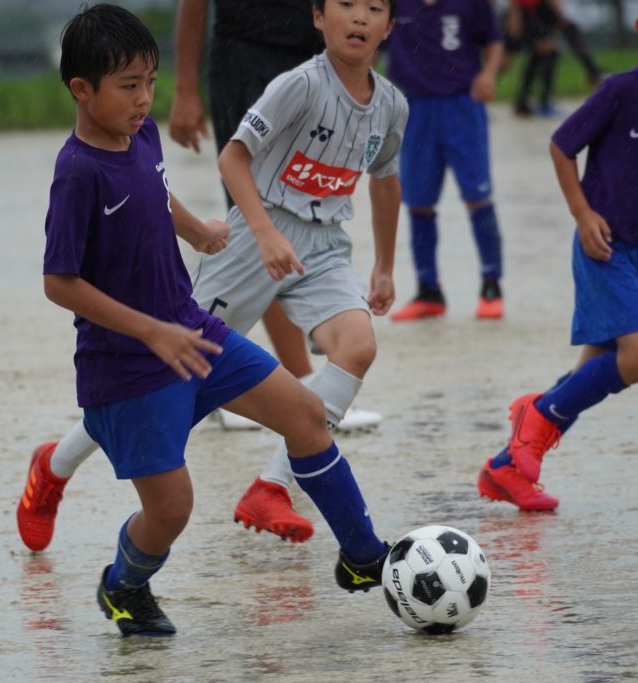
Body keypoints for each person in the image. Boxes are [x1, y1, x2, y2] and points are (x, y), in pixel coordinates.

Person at [20, 4, 391, 636]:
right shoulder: (75, 172)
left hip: (193, 331)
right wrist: (149, 331)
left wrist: (194, 228)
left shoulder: (140, 133)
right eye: (129, 86)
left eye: (151, 81)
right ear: (81, 90)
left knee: (304, 414)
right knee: (171, 511)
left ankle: (363, 556)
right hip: (130, 368)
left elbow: (153, 186)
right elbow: (59, 282)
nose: (145, 99)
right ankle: (124, 586)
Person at [477, 0, 638, 510]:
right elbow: (562, 146)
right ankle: (534, 418)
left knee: (595, 368)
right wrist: (582, 215)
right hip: (603, 244)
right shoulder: (621, 91)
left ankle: (504, 468)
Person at [169, 0, 382, 433]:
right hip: (247, 57)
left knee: (308, 208)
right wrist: (186, 89)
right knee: (260, 216)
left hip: (314, 56)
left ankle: (283, 377)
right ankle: (295, 378)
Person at [385, 0, 506, 322]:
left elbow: (493, 40)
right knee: (417, 202)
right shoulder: (394, 4)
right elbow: (370, 40)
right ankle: (429, 290)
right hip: (415, 106)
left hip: (462, 104)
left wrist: (489, 73)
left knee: (477, 195)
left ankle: (491, 284)